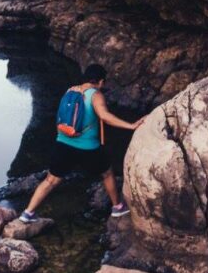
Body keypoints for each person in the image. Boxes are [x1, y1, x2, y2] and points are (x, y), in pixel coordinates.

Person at [19, 64, 142, 222]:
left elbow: (61, 116)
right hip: (88, 147)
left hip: (63, 142)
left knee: (50, 180)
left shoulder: (70, 90)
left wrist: (62, 136)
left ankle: (28, 213)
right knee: (107, 173)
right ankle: (117, 207)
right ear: (101, 81)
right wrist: (130, 126)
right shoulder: (96, 95)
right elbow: (105, 116)